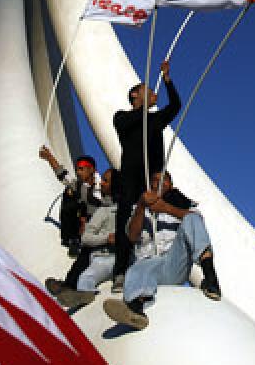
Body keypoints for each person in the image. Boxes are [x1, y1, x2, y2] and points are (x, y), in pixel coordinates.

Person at [102, 172, 220, 330]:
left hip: (174, 264)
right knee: (139, 266)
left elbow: (196, 220)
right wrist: (141, 206)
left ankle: (211, 278)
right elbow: (132, 236)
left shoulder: (183, 204)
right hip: (148, 266)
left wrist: (166, 208)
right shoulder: (138, 208)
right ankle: (136, 308)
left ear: (171, 186)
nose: (159, 183)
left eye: (164, 180)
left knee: (191, 219)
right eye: (155, 180)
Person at [109, 60, 181, 291]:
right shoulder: (122, 117)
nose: (154, 94)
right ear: (134, 96)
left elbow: (175, 106)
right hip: (130, 178)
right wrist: (145, 107)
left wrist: (168, 80)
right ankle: (120, 271)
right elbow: (131, 121)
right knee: (125, 221)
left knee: (155, 218)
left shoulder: (155, 119)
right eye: (148, 91)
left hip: (152, 179)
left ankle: (154, 264)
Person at [45, 168, 120, 308]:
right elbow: (67, 180)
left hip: (117, 252)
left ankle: (70, 285)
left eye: (82, 168)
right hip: (100, 247)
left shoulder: (123, 206)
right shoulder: (90, 195)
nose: (101, 184)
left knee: (87, 252)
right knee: (87, 264)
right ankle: (75, 288)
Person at [38, 145, 100, 255]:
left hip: (96, 225)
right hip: (81, 224)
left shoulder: (102, 186)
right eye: (77, 169)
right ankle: (72, 238)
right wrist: (49, 157)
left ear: (91, 169)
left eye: (81, 168)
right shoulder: (79, 185)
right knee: (69, 193)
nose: (78, 172)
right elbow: (62, 175)